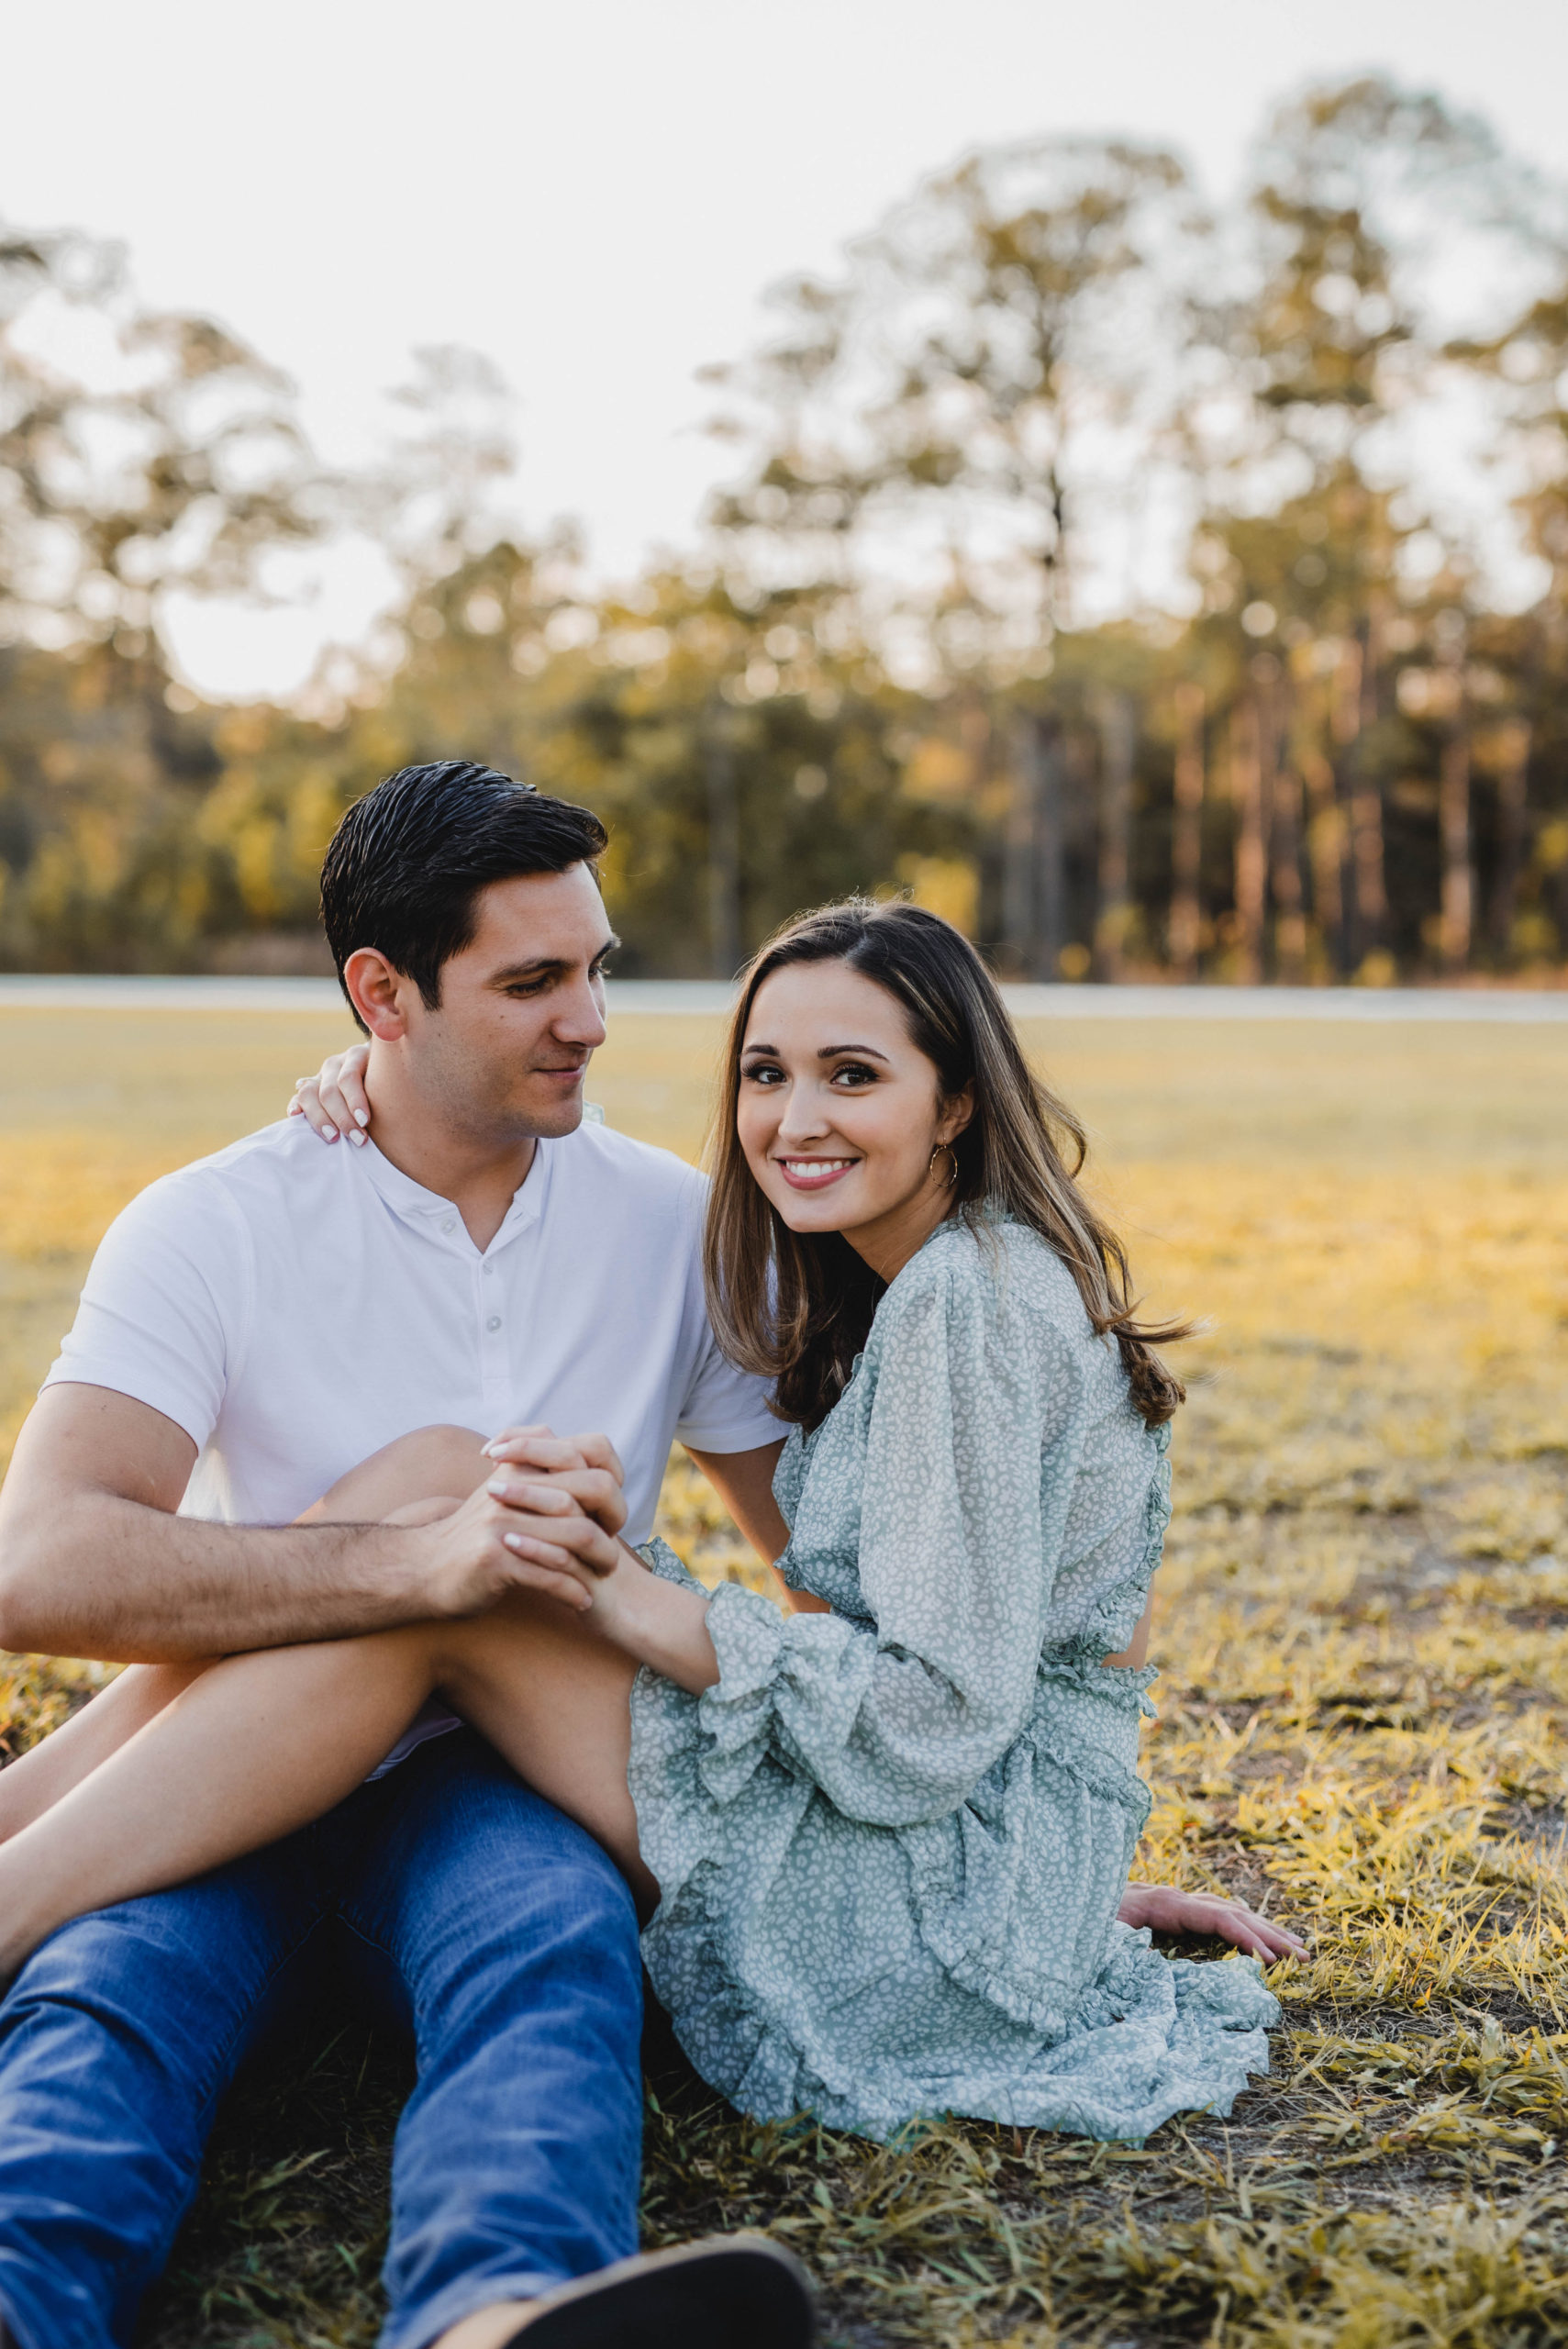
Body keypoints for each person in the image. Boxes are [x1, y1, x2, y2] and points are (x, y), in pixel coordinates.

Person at [0, 888, 1304, 2179]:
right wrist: (394, 1078)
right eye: (765, 1073)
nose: (795, 1121)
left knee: (487, 1557)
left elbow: (934, 1716)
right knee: (451, 1474)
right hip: (978, 1826)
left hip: (946, 1879)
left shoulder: (968, 1302)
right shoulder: (941, 1277)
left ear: (954, 1101)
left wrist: (632, 1601)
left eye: (852, 1076)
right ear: (386, 996)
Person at [0, 762, 818, 2349]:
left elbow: (830, 1592)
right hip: (230, 1763)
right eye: (531, 983)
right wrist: (419, 1567)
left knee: (552, 1954)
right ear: (383, 993)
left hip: (501, 1776)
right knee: (104, 2003)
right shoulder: (217, 1221)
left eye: (597, 970)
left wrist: (990, 1870)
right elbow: (39, 1563)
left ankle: (494, 2316)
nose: (588, 1020)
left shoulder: (675, 1225)